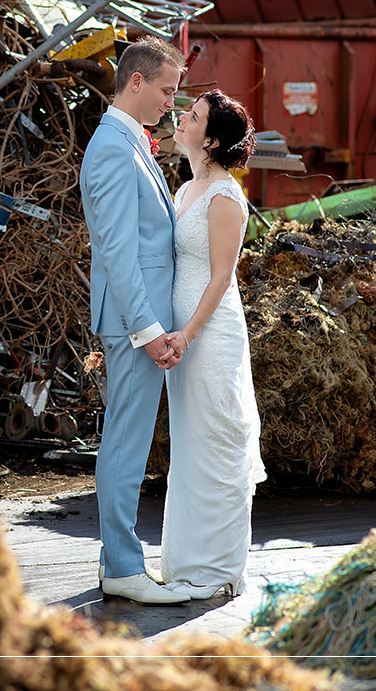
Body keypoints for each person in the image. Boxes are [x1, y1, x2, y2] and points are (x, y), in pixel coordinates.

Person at [79, 36, 189, 606]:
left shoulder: (130, 142)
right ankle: (122, 567)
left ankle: (117, 560)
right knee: (126, 440)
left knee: (128, 436)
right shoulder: (112, 148)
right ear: (137, 82)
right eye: (167, 90)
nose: (172, 101)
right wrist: (148, 331)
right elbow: (119, 252)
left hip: (136, 318)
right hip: (132, 322)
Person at [156, 89, 267, 600]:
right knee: (189, 443)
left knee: (218, 439)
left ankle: (218, 569)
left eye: (193, 116)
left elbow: (222, 277)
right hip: (181, 335)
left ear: (213, 139)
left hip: (210, 333)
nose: (182, 117)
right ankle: (184, 562)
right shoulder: (184, 191)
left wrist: (187, 333)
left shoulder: (225, 196)